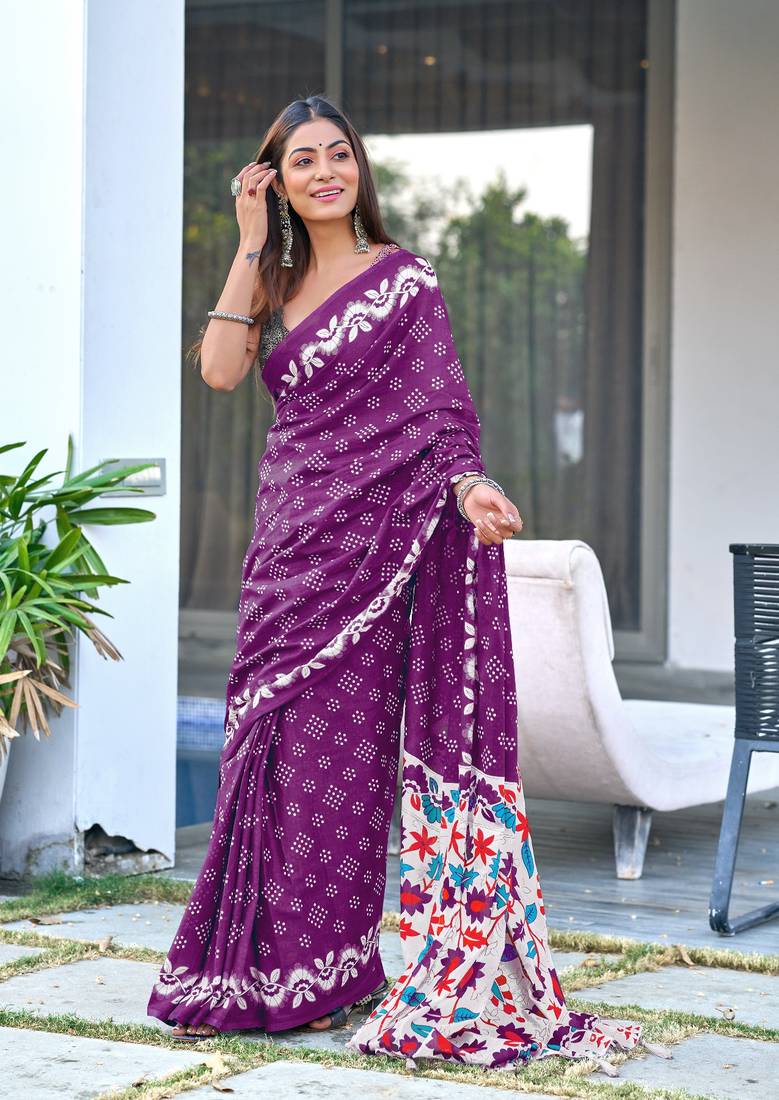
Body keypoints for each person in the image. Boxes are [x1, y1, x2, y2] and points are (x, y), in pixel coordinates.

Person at [148, 94, 665, 1076]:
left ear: (360, 169)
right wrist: (249, 241)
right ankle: (246, 972)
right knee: (264, 752)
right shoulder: (273, 275)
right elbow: (218, 371)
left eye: (337, 154)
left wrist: (468, 486)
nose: (324, 172)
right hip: (290, 549)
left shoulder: (403, 281)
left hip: (376, 554)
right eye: (302, 160)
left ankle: (330, 973)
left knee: (340, 768)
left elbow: (440, 410)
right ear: (276, 179)